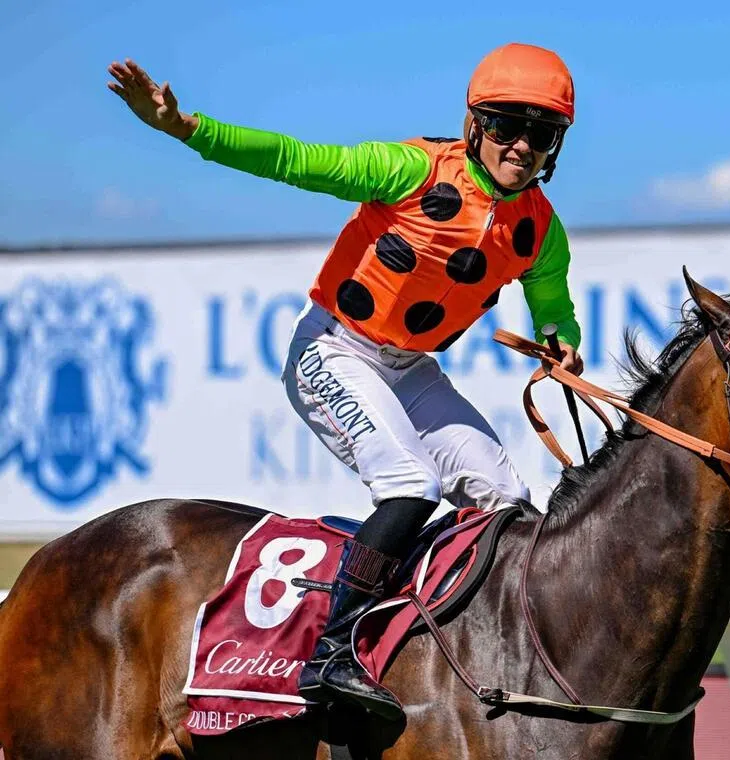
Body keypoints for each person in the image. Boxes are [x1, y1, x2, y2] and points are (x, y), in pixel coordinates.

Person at [106, 42, 584, 723]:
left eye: (541, 133)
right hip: (334, 351)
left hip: (412, 369)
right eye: (506, 125)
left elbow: (551, 295)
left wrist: (562, 336)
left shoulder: (541, 227)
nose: (521, 146)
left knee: (506, 497)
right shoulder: (409, 169)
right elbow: (293, 160)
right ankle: (333, 653)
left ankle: (459, 644)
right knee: (410, 483)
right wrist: (187, 129)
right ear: (474, 123)